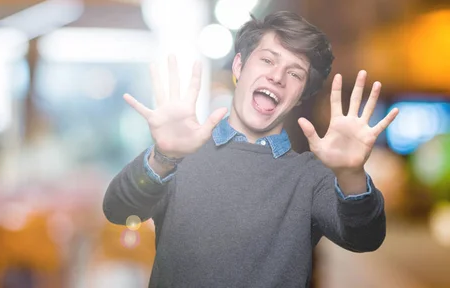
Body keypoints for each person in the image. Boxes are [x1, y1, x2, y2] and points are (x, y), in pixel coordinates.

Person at [103, 11, 399, 288]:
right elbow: (119, 210)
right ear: (239, 66)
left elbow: (365, 238)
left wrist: (351, 174)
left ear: (299, 97)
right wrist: (163, 157)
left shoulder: (310, 177)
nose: (277, 77)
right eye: (268, 60)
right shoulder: (179, 155)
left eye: (295, 74)